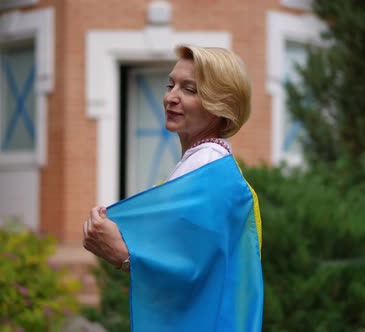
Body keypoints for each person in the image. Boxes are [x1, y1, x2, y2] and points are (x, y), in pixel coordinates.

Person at [83, 45, 263, 332]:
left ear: (221, 103)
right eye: (171, 85)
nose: (170, 97)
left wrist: (124, 254)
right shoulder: (208, 164)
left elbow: (192, 270)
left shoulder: (207, 167)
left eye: (189, 89)